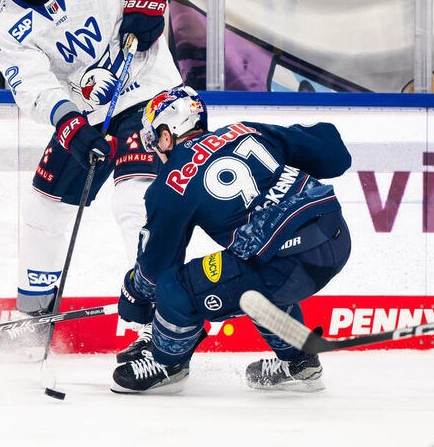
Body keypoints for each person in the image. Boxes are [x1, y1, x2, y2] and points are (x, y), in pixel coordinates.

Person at [0, 0, 182, 362]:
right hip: (89, 114)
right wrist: (71, 122)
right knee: (43, 203)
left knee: (135, 203)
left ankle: (152, 332)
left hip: (149, 93)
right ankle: (34, 323)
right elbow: (33, 88)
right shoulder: (6, 28)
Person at [111, 86, 352, 394]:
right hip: (335, 235)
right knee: (249, 278)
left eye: (153, 139)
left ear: (167, 133)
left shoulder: (171, 183)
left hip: (286, 264)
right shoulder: (244, 130)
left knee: (178, 286)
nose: (155, 149)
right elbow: (334, 155)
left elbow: (155, 270)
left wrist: (133, 296)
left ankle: (168, 365)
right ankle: (300, 364)